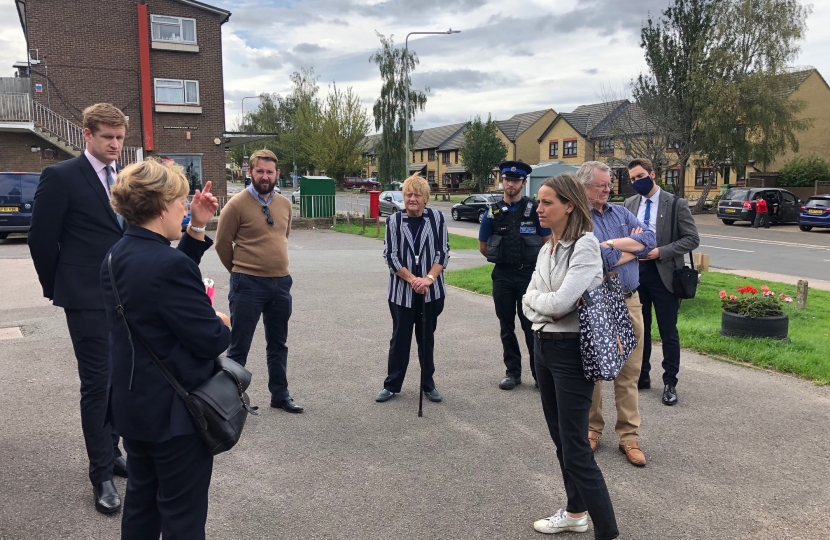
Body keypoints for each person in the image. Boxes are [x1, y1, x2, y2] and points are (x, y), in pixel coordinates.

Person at [101, 159, 228, 539]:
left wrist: (198, 228)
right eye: (181, 202)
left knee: (141, 507)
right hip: (174, 416)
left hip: (134, 405)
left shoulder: (115, 255)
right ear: (160, 207)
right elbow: (210, 339)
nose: (185, 209)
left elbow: (160, 280)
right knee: (182, 518)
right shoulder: (167, 266)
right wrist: (219, 320)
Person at [27, 103, 130, 513]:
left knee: (120, 379)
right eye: (107, 137)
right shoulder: (62, 176)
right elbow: (40, 239)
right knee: (96, 384)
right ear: (86, 135)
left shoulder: (125, 179)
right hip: (85, 299)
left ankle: (114, 450)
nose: (114, 145)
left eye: (120, 138)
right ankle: (100, 473)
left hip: (126, 297)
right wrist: (59, 287)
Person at [522, 173, 618, 539]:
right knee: (560, 440)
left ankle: (607, 533)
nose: (539, 208)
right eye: (539, 201)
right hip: (543, 346)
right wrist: (544, 308)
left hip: (572, 352)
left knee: (577, 448)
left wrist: (543, 305)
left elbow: (562, 302)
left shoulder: (585, 246)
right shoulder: (548, 247)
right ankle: (576, 513)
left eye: (547, 202)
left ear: (569, 205)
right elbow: (530, 300)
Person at [577, 161, 655, 467]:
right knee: (595, 371)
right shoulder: (578, 217)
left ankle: (629, 436)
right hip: (597, 303)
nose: (608, 189)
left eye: (609, 184)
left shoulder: (622, 213)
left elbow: (649, 242)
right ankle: (592, 428)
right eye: (601, 185)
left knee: (629, 371)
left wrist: (608, 244)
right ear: (584, 186)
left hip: (630, 300)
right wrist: (625, 248)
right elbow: (596, 259)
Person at [215, 149, 302, 413]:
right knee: (239, 346)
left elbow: (282, 236)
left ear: (277, 174)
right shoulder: (236, 204)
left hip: (280, 284)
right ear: (250, 172)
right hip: (248, 284)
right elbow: (221, 244)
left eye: (270, 171)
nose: (265, 176)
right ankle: (232, 402)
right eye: (260, 171)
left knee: (278, 344)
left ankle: (280, 395)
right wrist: (240, 271)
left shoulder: (285, 205)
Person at [624, 158, 700, 406]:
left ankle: (670, 382)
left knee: (668, 331)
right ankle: (642, 376)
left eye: (640, 176)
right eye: (632, 179)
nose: (636, 182)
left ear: (652, 174)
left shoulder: (676, 203)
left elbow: (691, 239)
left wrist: (660, 251)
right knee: (640, 330)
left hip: (665, 275)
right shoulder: (629, 203)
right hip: (637, 273)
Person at [375, 174, 449, 403]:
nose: (412, 199)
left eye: (417, 194)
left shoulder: (437, 219)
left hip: (431, 293)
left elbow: (442, 253)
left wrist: (427, 279)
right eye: (408, 194)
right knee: (400, 338)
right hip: (401, 294)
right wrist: (412, 280)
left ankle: (428, 384)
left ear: (425, 198)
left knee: (426, 339)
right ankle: (392, 385)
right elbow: (391, 255)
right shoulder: (394, 221)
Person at [479, 160, 551, 391]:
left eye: (516, 180)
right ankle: (512, 372)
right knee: (506, 326)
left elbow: (547, 241)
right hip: (502, 276)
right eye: (507, 179)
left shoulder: (534, 209)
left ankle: (540, 374)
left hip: (529, 277)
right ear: (502, 181)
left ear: (523, 182)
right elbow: (483, 246)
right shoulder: (492, 211)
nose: (511, 184)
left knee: (531, 326)